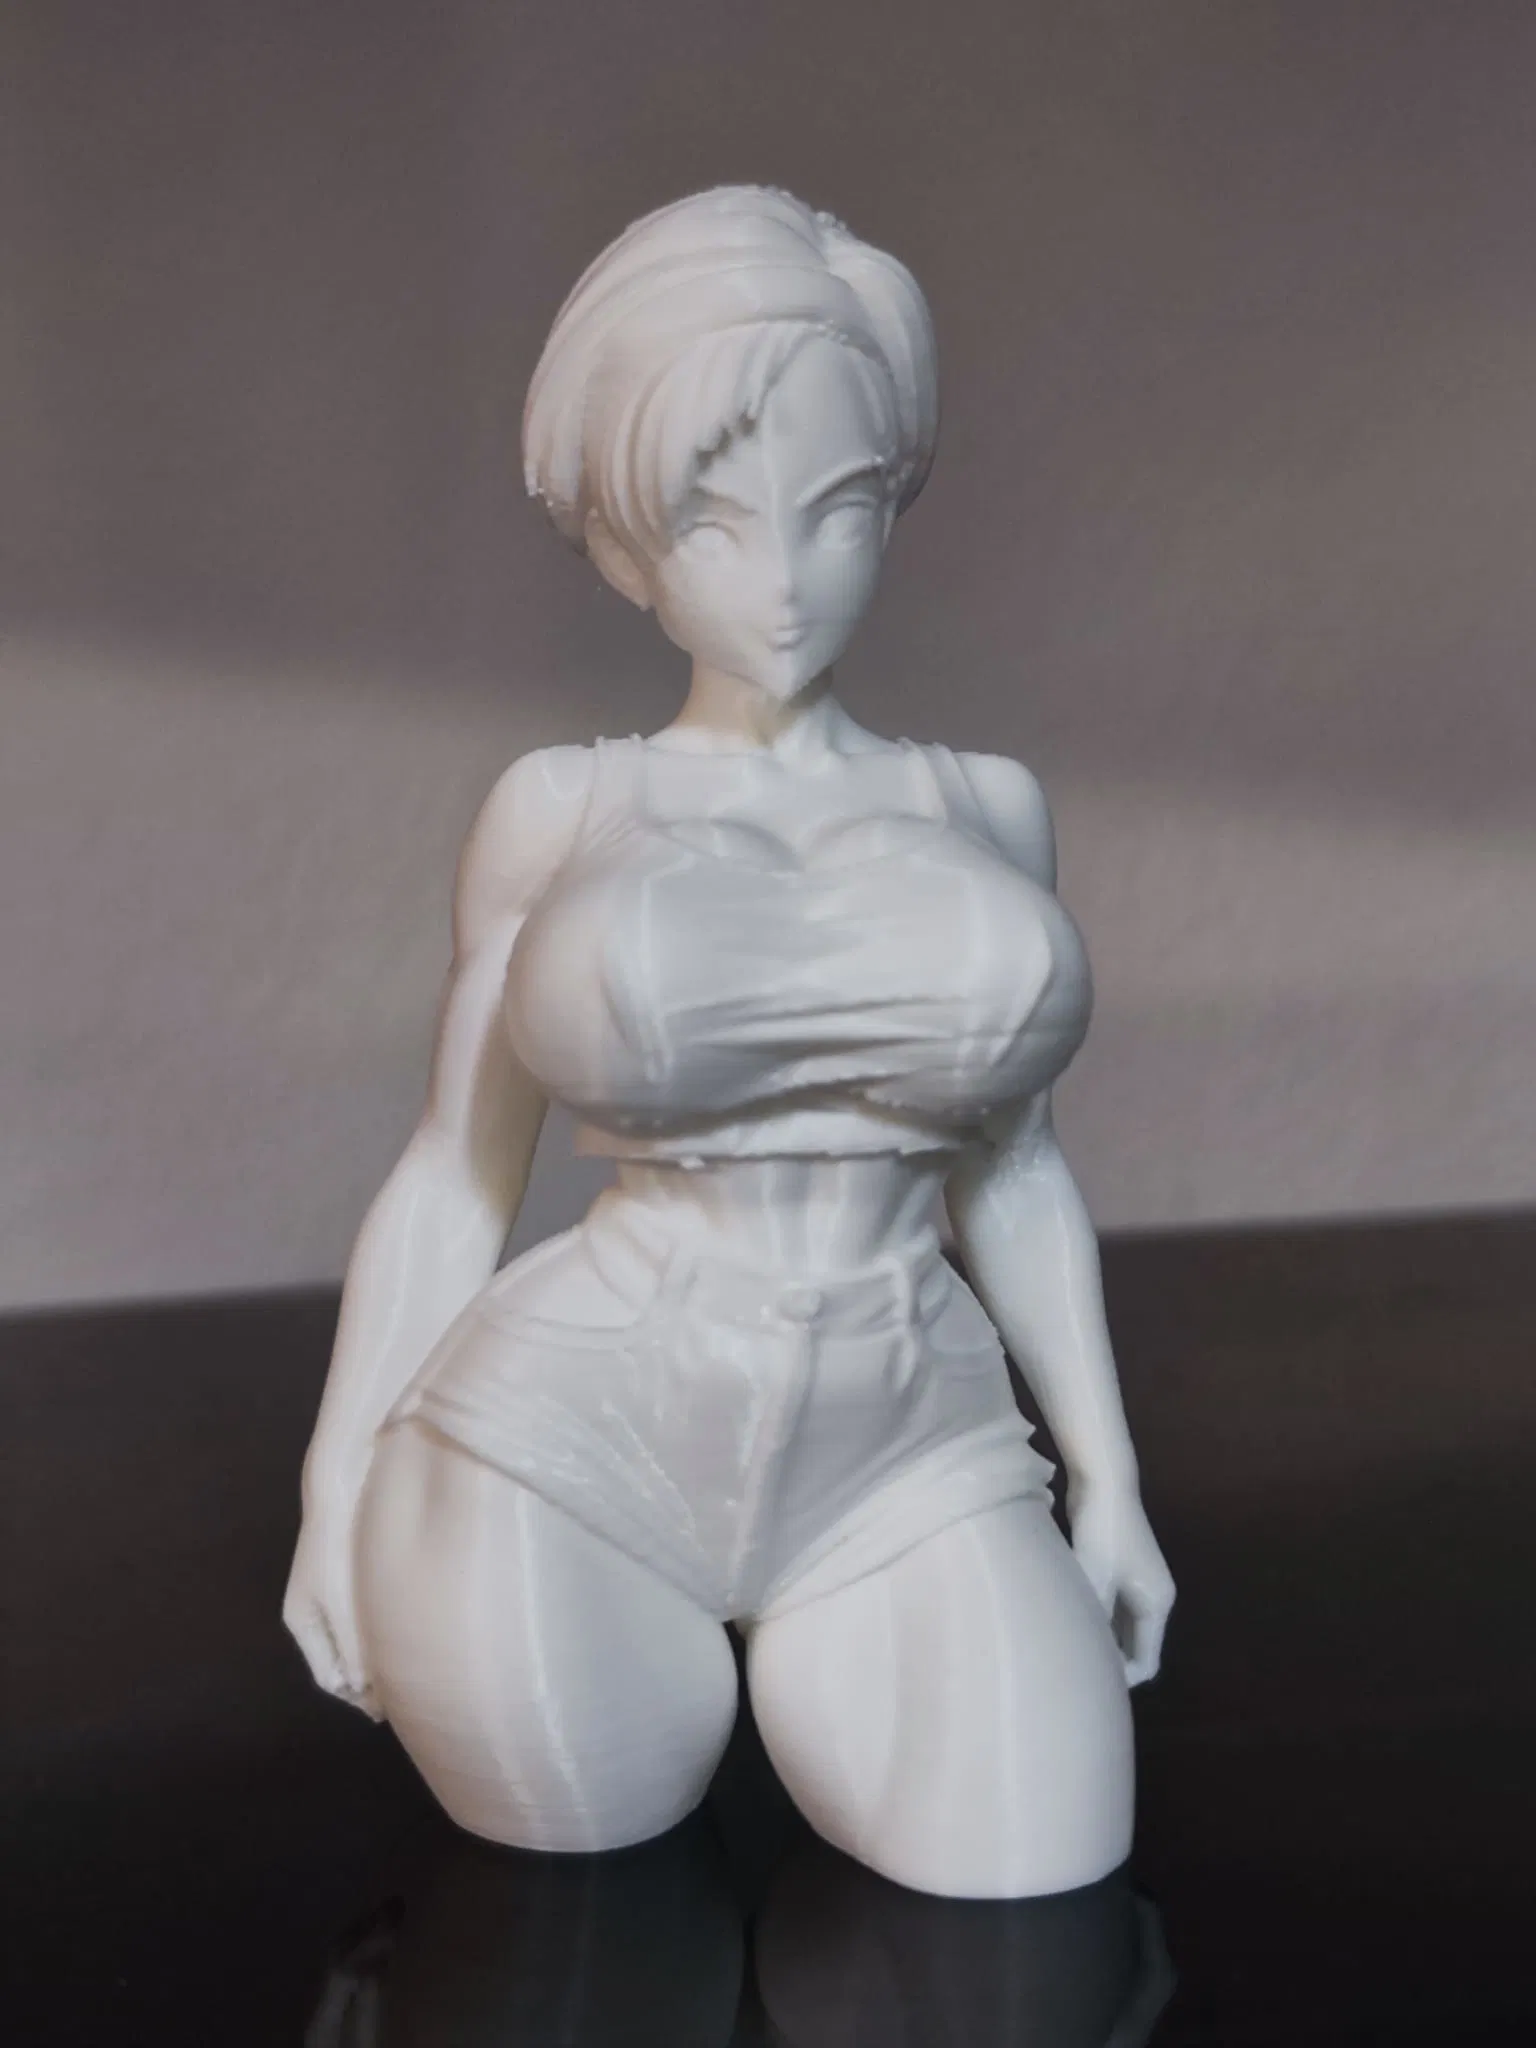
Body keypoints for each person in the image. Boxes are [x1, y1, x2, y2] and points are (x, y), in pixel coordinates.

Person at [284, 186, 1174, 1900]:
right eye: (713, 523)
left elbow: (1018, 1173)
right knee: (580, 1912)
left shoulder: (982, 807)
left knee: (1040, 1877)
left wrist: (1108, 1478)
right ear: (627, 545)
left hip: (914, 1439)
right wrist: (334, 1485)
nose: (781, 583)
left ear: (893, 506)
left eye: (838, 513)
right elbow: (456, 1178)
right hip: (565, 1444)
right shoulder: (563, 809)